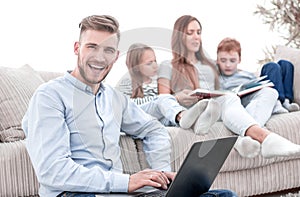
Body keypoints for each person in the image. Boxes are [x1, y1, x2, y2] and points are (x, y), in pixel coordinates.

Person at [21, 15, 236, 197]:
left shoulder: (115, 99)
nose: (99, 57)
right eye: (92, 47)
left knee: (224, 195)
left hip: (117, 194)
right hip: (73, 193)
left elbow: (153, 129)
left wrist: (161, 174)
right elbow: (53, 171)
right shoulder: (50, 96)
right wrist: (127, 182)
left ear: (115, 56)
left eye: (108, 50)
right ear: (77, 48)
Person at [157, 15, 300, 159]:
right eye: (190, 33)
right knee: (228, 98)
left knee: (270, 92)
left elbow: (231, 70)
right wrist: (178, 97)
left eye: (198, 32)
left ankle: (246, 138)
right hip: (198, 112)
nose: (196, 37)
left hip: (220, 105)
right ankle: (267, 138)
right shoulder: (167, 66)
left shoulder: (210, 64)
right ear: (179, 36)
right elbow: (162, 100)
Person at [116, 43, 220, 134]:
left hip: (155, 118)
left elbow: (165, 105)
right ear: (136, 67)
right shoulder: (126, 82)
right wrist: (173, 97)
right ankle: (183, 116)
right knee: (163, 99)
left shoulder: (156, 81)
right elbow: (127, 107)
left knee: (169, 114)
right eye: (149, 63)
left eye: (155, 61)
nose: (155, 66)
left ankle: (199, 123)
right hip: (138, 116)